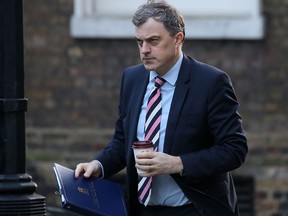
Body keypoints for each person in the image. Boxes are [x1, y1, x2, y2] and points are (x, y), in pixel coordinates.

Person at [75, 0, 248, 215]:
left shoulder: (211, 82)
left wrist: (177, 163)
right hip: (141, 208)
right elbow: (123, 141)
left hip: (193, 208)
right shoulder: (132, 78)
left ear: (178, 39)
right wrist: (98, 165)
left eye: (153, 41)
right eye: (139, 42)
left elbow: (234, 149)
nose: (145, 50)